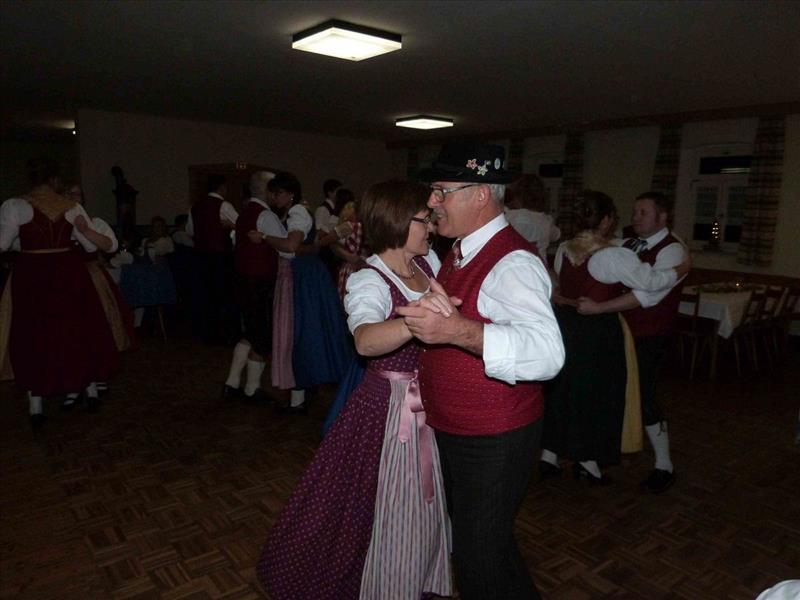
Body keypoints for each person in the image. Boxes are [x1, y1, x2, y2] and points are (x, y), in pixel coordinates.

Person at [257, 180, 452, 600]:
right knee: (368, 503)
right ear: (398, 221)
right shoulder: (370, 279)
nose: (432, 227)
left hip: (431, 401)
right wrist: (419, 319)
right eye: (424, 219)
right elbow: (365, 341)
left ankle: (412, 574)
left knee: (418, 500)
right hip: (389, 409)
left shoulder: (429, 262)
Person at [397, 142, 565, 600]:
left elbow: (548, 353)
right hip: (464, 428)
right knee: (488, 547)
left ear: (481, 194)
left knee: (478, 559)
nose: (433, 201)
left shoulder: (513, 262)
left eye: (442, 191)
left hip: (494, 435)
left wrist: (456, 331)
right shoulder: (461, 250)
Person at [541, 191, 688, 485]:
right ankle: (586, 459)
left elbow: (647, 294)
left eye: (643, 212)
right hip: (599, 332)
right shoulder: (616, 250)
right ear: (607, 220)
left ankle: (658, 465)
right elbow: (648, 281)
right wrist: (682, 270)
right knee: (595, 395)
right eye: (633, 212)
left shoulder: (568, 248)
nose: (635, 218)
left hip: (628, 331)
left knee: (584, 392)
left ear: (663, 217)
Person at [0, 159, 119, 428]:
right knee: (76, 331)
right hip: (68, 274)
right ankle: (88, 389)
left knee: (33, 335)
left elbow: (3, 244)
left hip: (32, 276)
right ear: (55, 181)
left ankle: (36, 404)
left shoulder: (15, 206)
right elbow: (91, 248)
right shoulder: (71, 207)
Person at [260, 173, 352, 413]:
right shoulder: (296, 212)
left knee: (303, 332)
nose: (274, 197)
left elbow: (292, 246)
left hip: (303, 278)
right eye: (273, 193)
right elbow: (307, 245)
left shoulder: (297, 213)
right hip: (303, 276)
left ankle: (300, 397)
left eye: (278, 193)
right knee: (304, 332)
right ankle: (301, 394)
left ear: (290, 194)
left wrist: (264, 237)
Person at [222, 171, 282, 402]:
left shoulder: (244, 213)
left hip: (242, 278)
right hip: (261, 281)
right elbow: (286, 247)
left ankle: (232, 383)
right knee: (262, 335)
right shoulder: (265, 215)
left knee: (249, 331)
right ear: (267, 190)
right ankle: (251, 389)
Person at [187, 175, 238, 343]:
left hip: (200, 257)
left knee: (205, 296)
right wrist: (231, 228)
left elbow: (190, 231)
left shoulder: (194, 207)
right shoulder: (224, 205)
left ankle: (206, 333)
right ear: (222, 187)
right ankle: (224, 334)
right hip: (220, 257)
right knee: (223, 295)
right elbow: (243, 225)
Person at [505, 173, 560, 258]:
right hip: (539, 264)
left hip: (515, 262)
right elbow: (557, 235)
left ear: (517, 197)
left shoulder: (511, 217)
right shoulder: (546, 220)